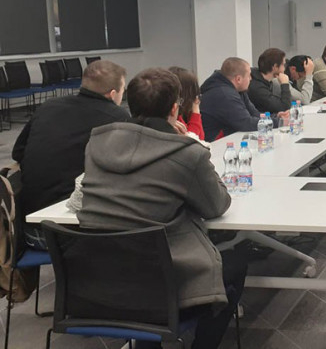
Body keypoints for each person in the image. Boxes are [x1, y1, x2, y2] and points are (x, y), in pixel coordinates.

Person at [77, 68, 245, 349]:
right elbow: (217, 205)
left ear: (130, 105)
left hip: (99, 280)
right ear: (175, 108)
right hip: (161, 286)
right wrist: (192, 145)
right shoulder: (185, 153)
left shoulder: (97, 144)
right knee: (238, 261)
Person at [12, 60, 129, 248]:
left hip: (29, 232)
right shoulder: (118, 118)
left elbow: (18, 152)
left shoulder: (48, 107)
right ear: (113, 93)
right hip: (78, 236)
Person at [199, 57, 286, 141]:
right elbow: (246, 123)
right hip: (217, 144)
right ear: (238, 79)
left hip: (230, 138)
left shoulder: (239, 90)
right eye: (249, 76)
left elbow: (254, 113)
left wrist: (276, 116)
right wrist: (279, 122)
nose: (251, 79)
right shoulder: (225, 95)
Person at [247, 48, 293, 114]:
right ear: (275, 67)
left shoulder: (262, 80)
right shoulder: (258, 88)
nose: (284, 68)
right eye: (283, 65)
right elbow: (284, 107)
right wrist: (285, 84)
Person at [169, 66, 204, 140]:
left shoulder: (181, 114)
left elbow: (200, 138)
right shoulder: (172, 118)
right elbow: (192, 140)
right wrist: (196, 112)